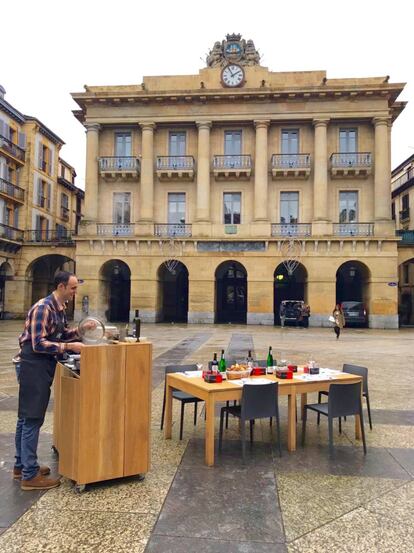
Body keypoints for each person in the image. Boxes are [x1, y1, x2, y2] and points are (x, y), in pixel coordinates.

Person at [14, 271, 90, 490]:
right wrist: (69, 347)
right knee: (32, 418)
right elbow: (38, 344)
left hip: (41, 365)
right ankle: (29, 476)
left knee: (26, 417)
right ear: (61, 286)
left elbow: (60, 334)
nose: (76, 292)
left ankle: (22, 465)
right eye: (73, 288)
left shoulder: (59, 308)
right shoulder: (43, 308)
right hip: (33, 364)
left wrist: (80, 331)